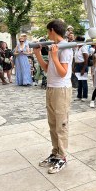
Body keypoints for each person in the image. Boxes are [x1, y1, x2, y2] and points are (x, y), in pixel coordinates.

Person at [34, 19, 73, 174]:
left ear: (52, 30)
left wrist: (55, 56)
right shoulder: (54, 48)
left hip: (61, 90)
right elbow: (46, 68)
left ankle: (62, 157)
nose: (47, 34)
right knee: (52, 123)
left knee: (61, 124)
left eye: (47, 31)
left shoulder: (65, 49)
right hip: (51, 88)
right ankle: (55, 153)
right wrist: (38, 54)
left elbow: (63, 72)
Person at [74, 36, 89, 101]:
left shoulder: (83, 48)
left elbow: (86, 59)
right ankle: (79, 96)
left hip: (82, 65)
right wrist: (74, 67)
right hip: (77, 65)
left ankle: (85, 96)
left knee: (84, 82)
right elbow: (75, 58)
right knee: (79, 82)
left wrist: (83, 69)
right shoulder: (77, 48)